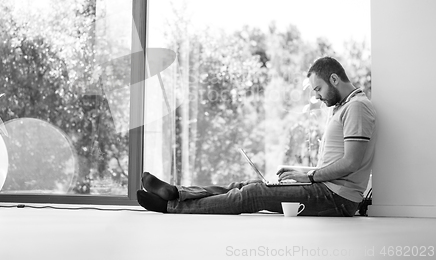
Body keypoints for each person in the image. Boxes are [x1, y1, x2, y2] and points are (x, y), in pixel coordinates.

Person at [137, 56, 376, 216]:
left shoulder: (356, 107)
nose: (317, 97)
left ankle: (172, 206)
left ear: (334, 79)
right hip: (326, 188)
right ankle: (178, 192)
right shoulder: (343, 107)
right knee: (246, 185)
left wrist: (309, 176)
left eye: (318, 89)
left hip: (337, 199)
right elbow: (336, 163)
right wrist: (302, 174)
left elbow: (351, 163)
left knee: (255, 194)